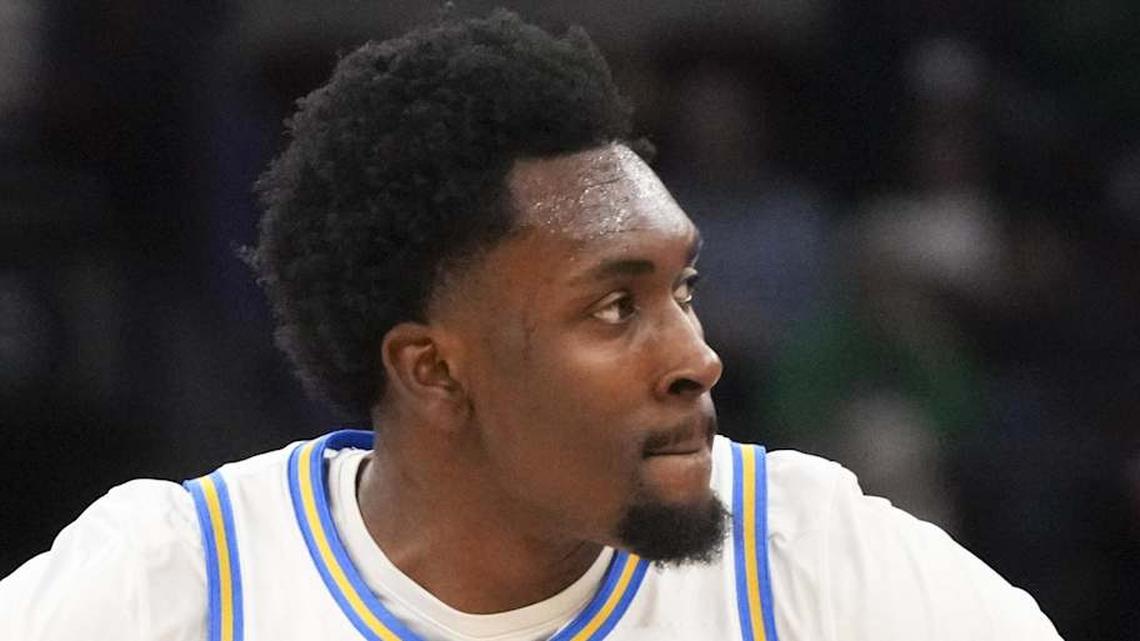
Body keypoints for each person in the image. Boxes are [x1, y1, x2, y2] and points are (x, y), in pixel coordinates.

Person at [0, 11, 1062, 641]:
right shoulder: (178, 579)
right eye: (614, 307)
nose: (696, 357)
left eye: (681, 289)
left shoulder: (806, 553)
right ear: (433, 369)